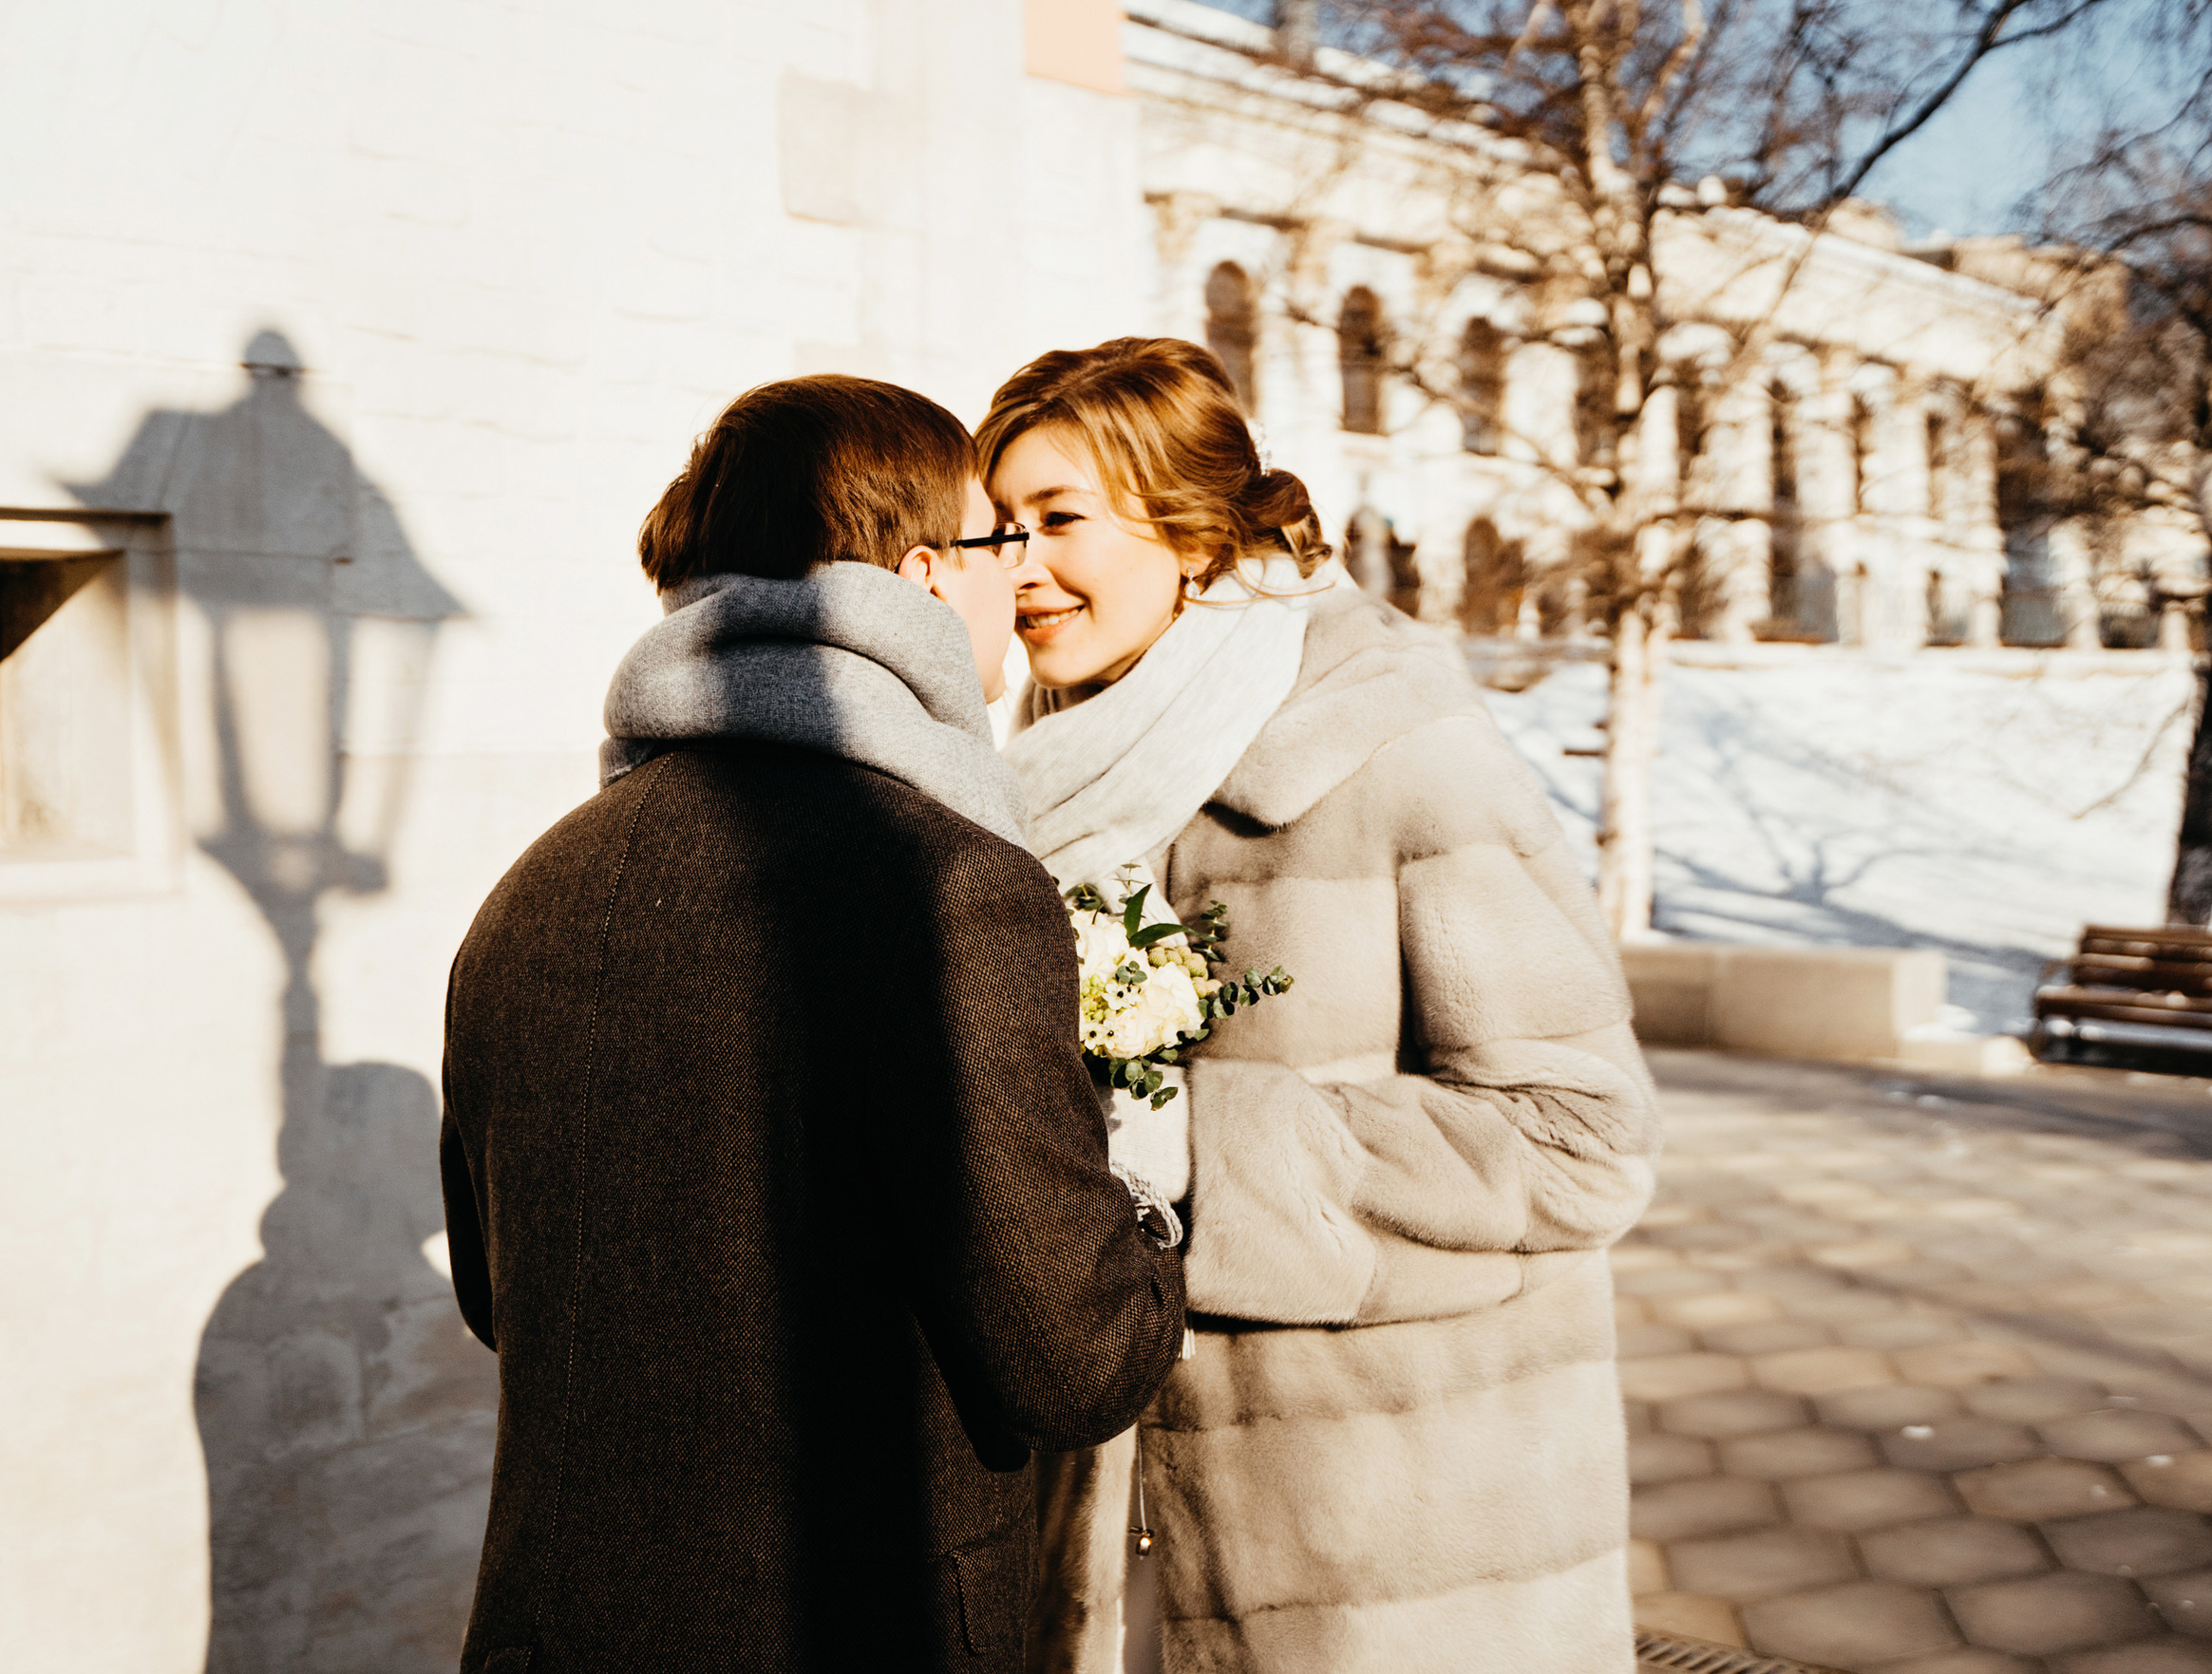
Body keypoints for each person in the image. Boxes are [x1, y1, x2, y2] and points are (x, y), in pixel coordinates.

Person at [438, 374, 1187, 1673]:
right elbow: (1073, 1362)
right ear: (921, 578)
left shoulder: (533, 887)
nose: (1019, 583)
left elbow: (500, 1297)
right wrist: (1150, 1198)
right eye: (998, 545)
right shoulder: (951, 889)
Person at [986, 339, 1661, 1674]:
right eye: (999, 527)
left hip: (1388, 1547)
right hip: (1115, 1526)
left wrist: (1192, 1151)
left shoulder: (1389, 746)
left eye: (1059, 521)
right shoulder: (1062, 773)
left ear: (1188, 530)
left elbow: (1583, 1145)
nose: (1018, 569)